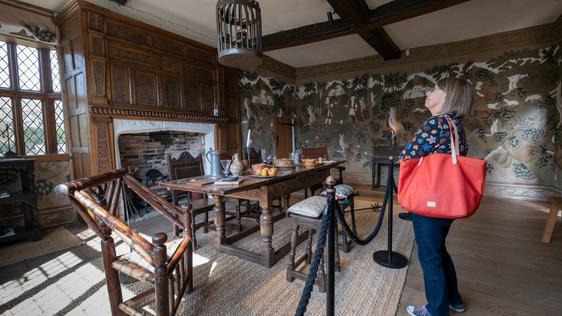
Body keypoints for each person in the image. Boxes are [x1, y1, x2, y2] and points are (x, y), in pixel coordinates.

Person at [399, 77, 472, 316]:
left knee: (430, 257)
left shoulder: (436, 123)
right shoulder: (455, 126)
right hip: (448, 199)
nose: (428, 93)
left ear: (448, 96)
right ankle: (454, 299)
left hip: (430, 201)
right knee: (438, 249)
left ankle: (436, 311)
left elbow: (408, 155)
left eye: (435, 89)